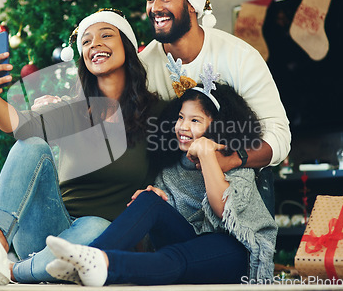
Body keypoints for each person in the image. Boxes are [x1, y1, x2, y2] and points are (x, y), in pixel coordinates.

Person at [0, 9, 159, 285]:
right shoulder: (75, 110)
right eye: (86, 41)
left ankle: (10, 270)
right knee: (32, 143)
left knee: (96, 226)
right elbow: (18, 125)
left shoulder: (155, 115)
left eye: (106, 35)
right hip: (46, 228)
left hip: (98, 239)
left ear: (127, 48)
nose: (94, 44)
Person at [44, 61, 278, 286]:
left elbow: (224, 211)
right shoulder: (172, 164)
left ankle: (99, 263)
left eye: (195, 120)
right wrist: (158, 198)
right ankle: (87, 257)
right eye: (180, 117)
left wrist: (207, 155)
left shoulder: (233, 162)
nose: (183, 127)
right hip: (189, 243)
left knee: (175, 257)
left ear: (218, 126)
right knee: (149, 200)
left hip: (234, 250)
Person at [138, 0, 291, 174]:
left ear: (191, 4)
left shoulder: (241, 57)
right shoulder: (142, 66)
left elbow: (278, 136)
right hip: (171, 186)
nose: (154, 8)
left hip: (238, 179)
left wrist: (231, 160)